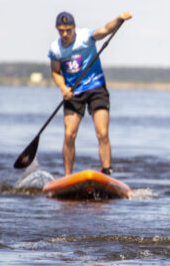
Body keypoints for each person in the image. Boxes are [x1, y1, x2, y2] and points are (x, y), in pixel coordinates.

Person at [48, 10, 131, 176]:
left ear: (74, 27)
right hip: (73, 93)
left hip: (96, 88)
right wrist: (63, 88)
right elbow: (56, 72)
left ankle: (106, 171)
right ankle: (67, 176)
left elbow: (106, 30)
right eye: (61, 31)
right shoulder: (55, 49)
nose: (65, 34)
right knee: (69, 134)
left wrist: (119, 19)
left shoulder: (86, 37)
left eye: (68, 30)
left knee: (102, 132)